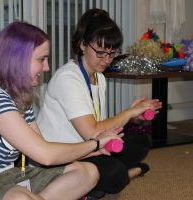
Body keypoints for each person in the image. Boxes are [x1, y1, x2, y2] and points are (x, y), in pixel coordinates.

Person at [0, 21, 123, 200]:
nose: (47, 67)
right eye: (42, 59)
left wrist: (91, 151)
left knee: (87, 173)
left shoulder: (21, 97)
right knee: (19, 197)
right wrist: (94, 144)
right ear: (17, 59)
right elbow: (45, 155)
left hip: (3, 178)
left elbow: (41, 148)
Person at [37, 8, 162, 198]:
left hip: (92, 149)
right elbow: (91, 132)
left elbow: (101, 133)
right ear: (82, 45)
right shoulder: (68, 78)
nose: (106, 60)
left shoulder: (99, 77)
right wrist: (128, 113)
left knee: (141, 141)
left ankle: (101, 183)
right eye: (101, 52)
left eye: (112, 54)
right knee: (115, 172)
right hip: (65, 158)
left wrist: (132, 115)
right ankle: (124, 175)